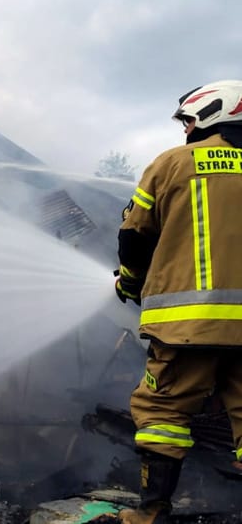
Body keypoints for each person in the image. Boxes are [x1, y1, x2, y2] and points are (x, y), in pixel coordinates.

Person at [114, 80, 242, 524]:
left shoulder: (173, 164)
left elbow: (134, 236)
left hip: (190, 327)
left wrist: (129, 283)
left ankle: (152, 515)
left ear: (210, 115)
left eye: (188, 120)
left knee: (163, 414)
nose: (185, 129)